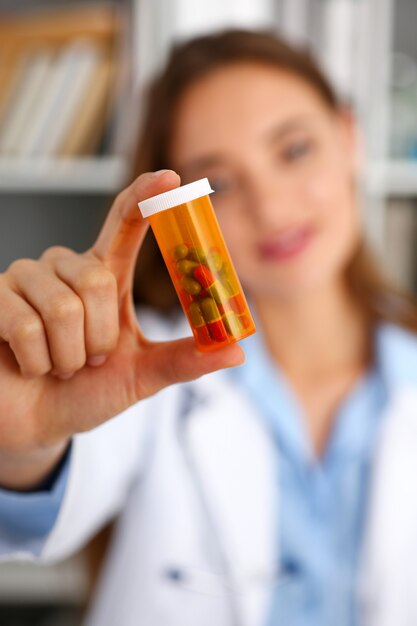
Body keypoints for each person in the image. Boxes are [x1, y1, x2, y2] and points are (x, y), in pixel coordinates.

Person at [1, 29, 417, 626]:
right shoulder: (137, 366)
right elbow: (41, 505)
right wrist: (24, 448)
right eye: (216, 184)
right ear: (177, 216)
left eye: (294, 150)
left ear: (349, 138)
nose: (271, 208)